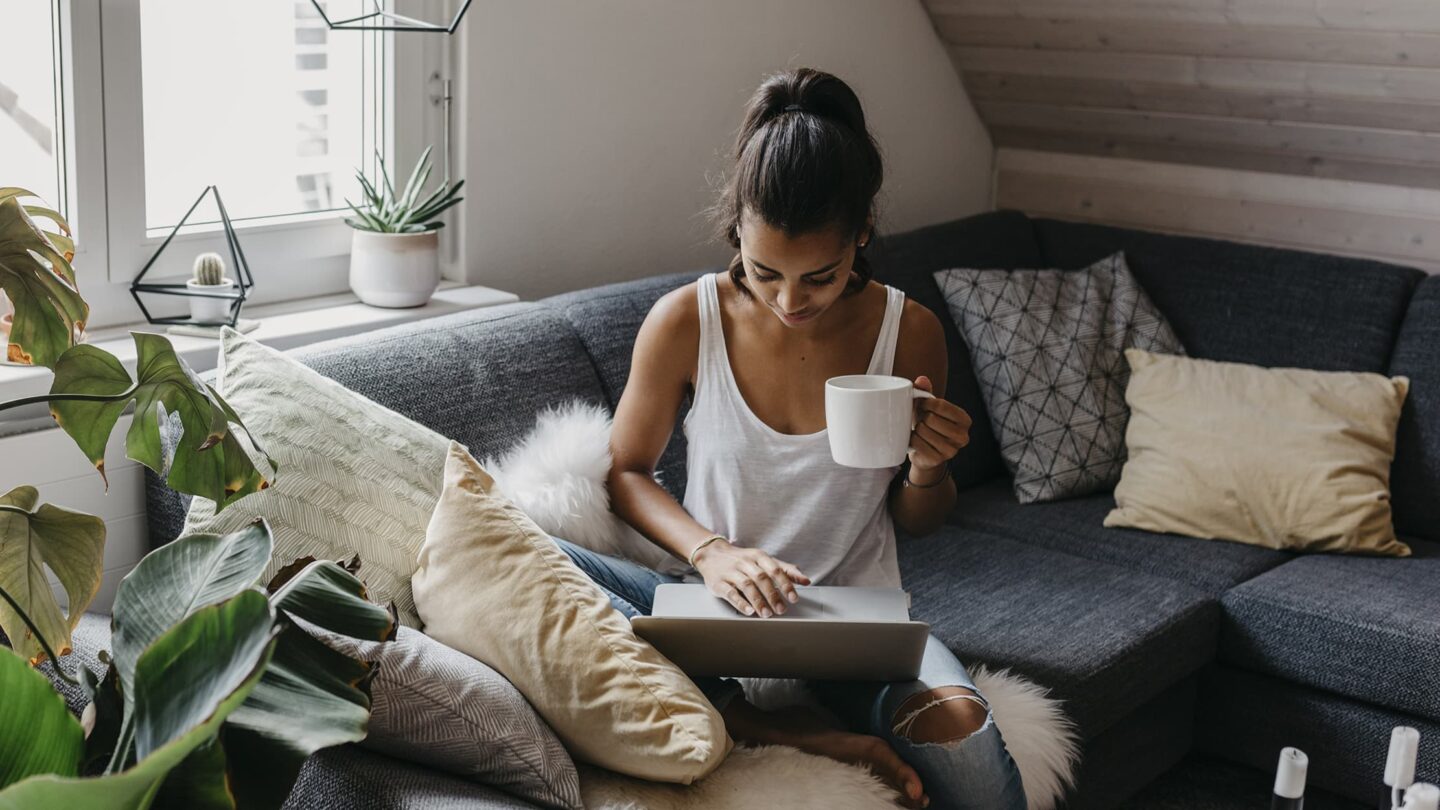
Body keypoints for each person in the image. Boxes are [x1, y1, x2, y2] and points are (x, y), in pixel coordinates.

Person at [552, 67, 1026, 810]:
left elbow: (919, 519)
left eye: (821, 277)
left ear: (862, 234)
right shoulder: (686, 320)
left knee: (967, 742)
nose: (788, 301)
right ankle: (763, 721)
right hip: (714, 617)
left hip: (855, 628)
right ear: (737, 223)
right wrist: (711, 552)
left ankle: (794, 715)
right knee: (538, 555)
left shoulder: (910, 332)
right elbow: (628, 472)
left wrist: (929, 470)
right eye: (766, 271)